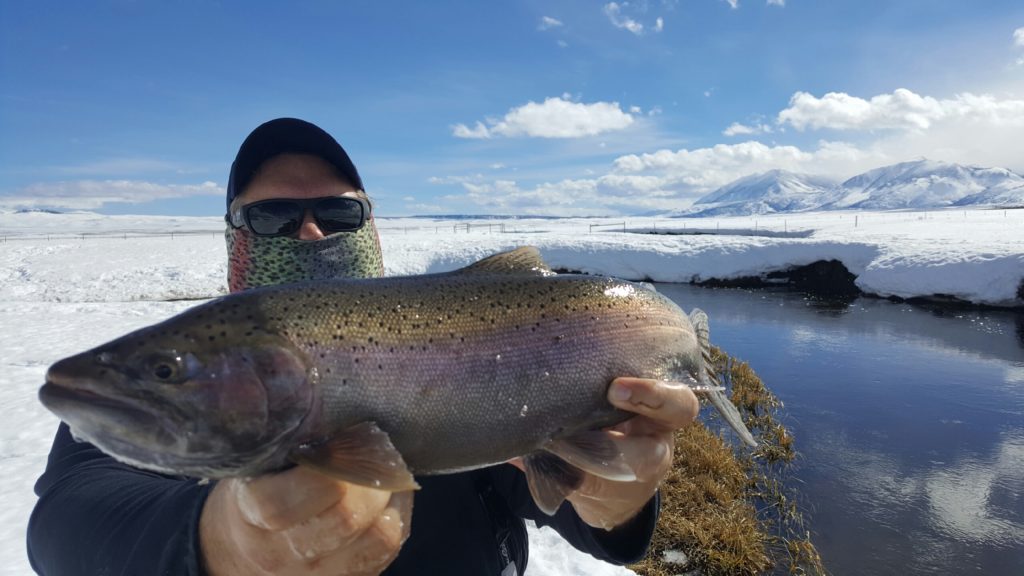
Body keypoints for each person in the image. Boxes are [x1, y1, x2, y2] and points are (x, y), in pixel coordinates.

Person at [27, 118, 701, 575]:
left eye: (339, 212)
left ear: (369, 224)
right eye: (273, 216)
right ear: (234, 239)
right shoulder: (161, 389)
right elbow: (68, 524)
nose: (314, 233)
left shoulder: (462, 344)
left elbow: (588, 523)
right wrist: (224, 545)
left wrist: (618, 497)